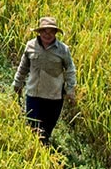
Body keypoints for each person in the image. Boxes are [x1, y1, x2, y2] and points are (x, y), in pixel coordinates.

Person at [13, 16, 76, 145]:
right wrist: (18, 82)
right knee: (32, 126)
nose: (47, 35)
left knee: (47, 128)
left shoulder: (63, 50)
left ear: (55, 33)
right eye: (44, 31)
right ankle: (34, 151)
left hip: (54, 96)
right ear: (39, 32)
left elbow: (70, 69)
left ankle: (43, 148)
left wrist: (70, 89)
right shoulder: (30, 46)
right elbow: (23, 66)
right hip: (34, 94)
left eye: (51, 31)